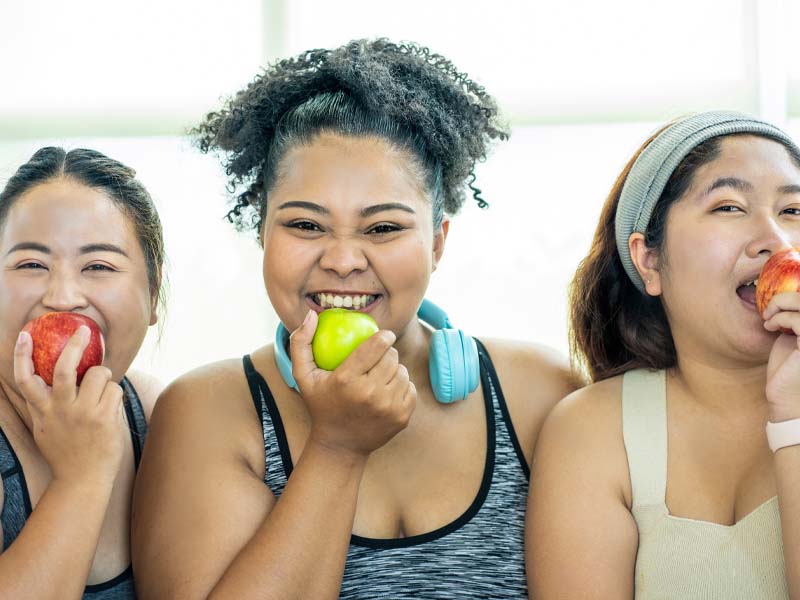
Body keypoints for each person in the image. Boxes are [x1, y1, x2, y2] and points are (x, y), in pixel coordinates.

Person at [131, 38, 577, 599]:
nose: (342, 260)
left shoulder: (541, 393)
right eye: (306, 226)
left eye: (383, 228)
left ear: (438, 242)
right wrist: (337, 449)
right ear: (262, 232)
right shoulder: (206, 413)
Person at [526, 111, 800, 599]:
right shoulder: (592, 430)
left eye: (794, 211)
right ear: (649, 260)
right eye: (729, 207)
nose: (777, 241)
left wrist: (794, 420)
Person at [0, 147, 164, 599]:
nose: (63, 296)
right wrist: (81, 477)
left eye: (98, 266)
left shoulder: (158, 415)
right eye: (32, 264)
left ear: (153, 293)